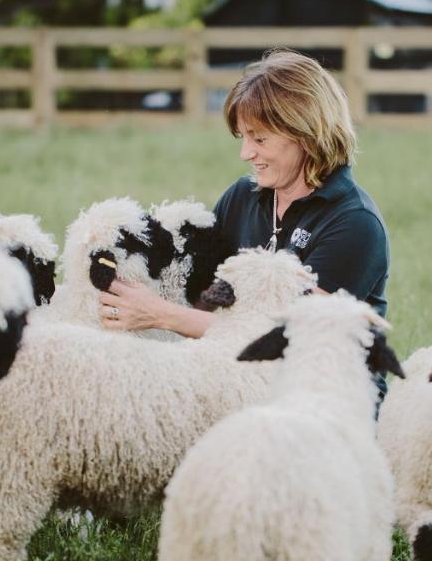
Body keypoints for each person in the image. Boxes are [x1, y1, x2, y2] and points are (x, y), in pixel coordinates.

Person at [98, 48, 389, 343]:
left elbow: (290, 336)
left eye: (260, 139)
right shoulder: (242, 196)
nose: (246, 153)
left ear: (307, 134)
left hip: (322, 383)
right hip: (235, 376)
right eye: (243, 137)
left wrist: (162, 315)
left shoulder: (354, 222)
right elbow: (201, 294)